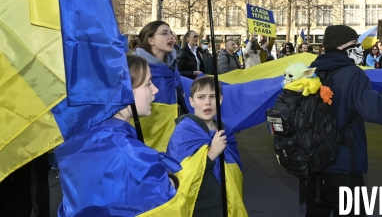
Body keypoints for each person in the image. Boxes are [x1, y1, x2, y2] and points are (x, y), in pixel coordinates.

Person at [306, 25, 382, 216]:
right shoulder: (352, 74)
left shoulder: (310, 71)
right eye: (354, 43)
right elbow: (379, 112)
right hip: (343, 164)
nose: (359, 47)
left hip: (313, 165)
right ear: (341, 47)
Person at [55, 55, 180, 216]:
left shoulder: (88, 134)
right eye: (148, 83)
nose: (155, 89)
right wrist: (171, 181)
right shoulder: (124, 148)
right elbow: (164, 197)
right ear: (125, 91)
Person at [167, 76, 246, 216]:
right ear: (191, 101)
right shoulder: (184, 131)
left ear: (220, 100)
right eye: (201, 97)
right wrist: (211, 154)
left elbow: (235, 167)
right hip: (199, 204)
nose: (207, 103)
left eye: (213, 97)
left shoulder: (225, 131)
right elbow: (180, 173)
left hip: (223, 200)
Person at [134, 21, 189, 151]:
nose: (171, 36)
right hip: (146, 136)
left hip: (169, 134)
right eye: (164, 33)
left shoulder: (172, 67)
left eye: (171, 33)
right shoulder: (136, 67)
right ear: (151, 40)